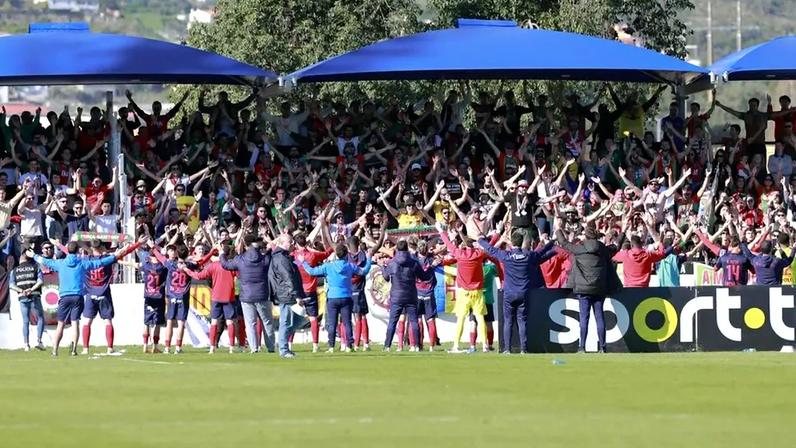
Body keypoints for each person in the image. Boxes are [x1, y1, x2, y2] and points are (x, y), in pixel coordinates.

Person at [32, 242, 126, 356]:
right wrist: (114, 257)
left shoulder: (61, 263)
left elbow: (46, 261)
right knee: (75, 323)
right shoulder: (82, 263)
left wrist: (34, 255)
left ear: (67, 250)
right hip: (78, 296)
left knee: (60, 324)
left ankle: (55, 350)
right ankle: (74, 350)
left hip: (64, 296)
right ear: (78, 251)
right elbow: (99, 263)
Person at [478, 232, 555, 354]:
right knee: (522, 321)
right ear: (521, 241)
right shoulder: (528, 255)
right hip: (523, 293)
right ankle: (524, 349)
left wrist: (481, 240)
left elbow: (490, 250)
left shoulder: (506, 256)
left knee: (508, 321)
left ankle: (507, 349)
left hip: (509, 293)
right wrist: (552, 241)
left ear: (511, 242)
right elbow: (542, 252)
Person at [555, 227, 621, 353]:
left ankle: (582, 347)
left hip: (583, 289)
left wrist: (558, 229)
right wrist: (623, 233)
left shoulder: (579, 249)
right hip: (599, 288)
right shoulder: (603, 249)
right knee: (599, 317)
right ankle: (602, 347)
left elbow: (563, 243)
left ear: (585, 236)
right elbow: (616, 246)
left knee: (584, 318)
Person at [300, 244, 373, 353]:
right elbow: (364, 271)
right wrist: (369, 258)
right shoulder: (349, 266)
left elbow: (312, 272)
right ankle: (349, 346)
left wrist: (303, 262)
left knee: (332, 323)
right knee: (347, 322)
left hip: (332, 297)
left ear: (336, 254)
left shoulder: (328, 266)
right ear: (346, 255)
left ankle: (331, 346)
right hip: (346, 297)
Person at [436, 222, 488, 353]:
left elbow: (448, 244)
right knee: (480, 318)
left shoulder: (459, 253)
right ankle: (485, 345)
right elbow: (490, 246)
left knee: (461, 319)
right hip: (477, 292)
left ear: (464, 246)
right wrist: (498, 233)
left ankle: (456, 345)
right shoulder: (479, 254)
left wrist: (440, 231)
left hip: (464, 292)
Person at [219, 234, 275, 354]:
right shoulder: (264, 258)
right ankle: (271, 347)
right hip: (262, 294)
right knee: (267, 322)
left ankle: (254, 348)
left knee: (250, 324)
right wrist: (269, 246)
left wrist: (222, 254)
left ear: (245, 244)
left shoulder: (241, 259)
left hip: (247, 296)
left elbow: (226, 265)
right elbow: (271, 254)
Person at [182, 245, 239, 354]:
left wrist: (186, 270)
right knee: (230, 322)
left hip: (216, 297)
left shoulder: (213, 266)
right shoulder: (232, 266)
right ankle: (231, 347)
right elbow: (240, 276)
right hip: (229, 297)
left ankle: (212, 347)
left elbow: (198, 276)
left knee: (214, 322)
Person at [382, 239, 434, 352]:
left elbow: (386, 278)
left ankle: (387, 346)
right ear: (407, 249)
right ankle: (415, 345)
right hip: (411, 295)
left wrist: (383, 267)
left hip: (396, 296)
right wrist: (430, 268)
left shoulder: (392, 263)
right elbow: (424, 277)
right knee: (414, 321)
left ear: (396, 249)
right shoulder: (413, 262)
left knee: (392, 322)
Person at [268, 234, 304, 359]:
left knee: (298, 319)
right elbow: (287, 277)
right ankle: (283, 348)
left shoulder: (283, 256)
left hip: (287, 293)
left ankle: (283, 344)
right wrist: (296, 294)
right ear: (283, 243)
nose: (292, 243)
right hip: (286, 294)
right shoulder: (281, 258)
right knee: (287, 321)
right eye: (290, 241)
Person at [10, 246, 45, 351]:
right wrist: (31, 289)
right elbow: (40, 281)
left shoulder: (15, 270)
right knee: (40, 318)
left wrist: (22, 291)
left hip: (22, 297)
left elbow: (11, 285)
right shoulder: (36, 267)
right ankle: (39, 341)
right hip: (34, 295)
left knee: (25, 321)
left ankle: (26, 345)